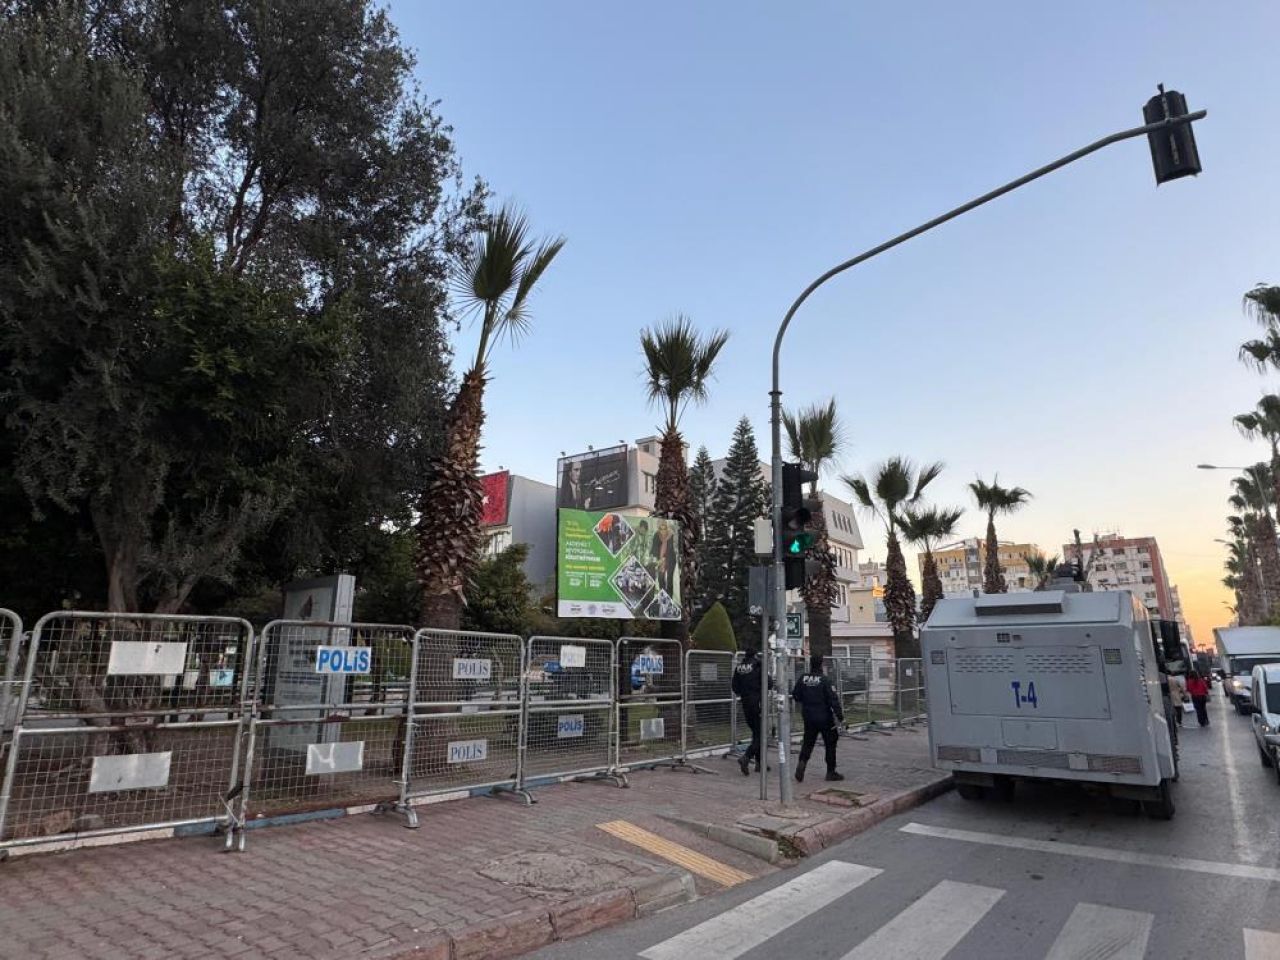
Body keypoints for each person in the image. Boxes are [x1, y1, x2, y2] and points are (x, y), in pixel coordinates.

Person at [791, 655, 844, 782]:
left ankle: (802, 762)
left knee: (808, 742)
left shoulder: (803, 678)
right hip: (824, 717)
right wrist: (840, 716)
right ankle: (830, 772)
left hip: (808, 716)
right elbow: (833, 700)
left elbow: (796, 695)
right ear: (821, 665)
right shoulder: (825, 680)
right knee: (830, 742)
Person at [732, 648, 767, 776]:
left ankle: (759, 764)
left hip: (745, 703)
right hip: (757, 702)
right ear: (755, 655)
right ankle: (746, 758)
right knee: (761, 734)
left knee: (756, 733)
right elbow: (768, 683)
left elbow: (735, 687)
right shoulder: (758, 666)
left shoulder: (739, 667)